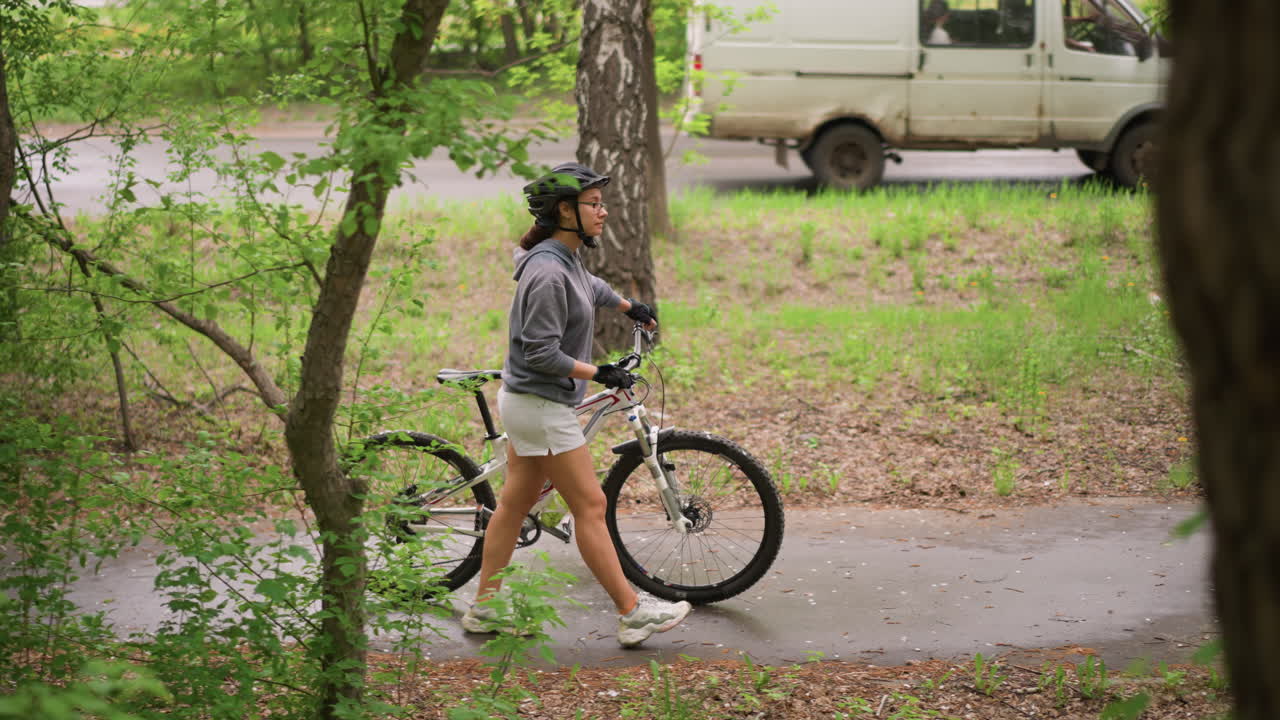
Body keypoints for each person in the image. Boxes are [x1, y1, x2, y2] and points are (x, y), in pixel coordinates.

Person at [459, 162, 692, 648]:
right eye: (594, 204)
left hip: (532, 403)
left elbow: (590, 288)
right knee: (590, 504)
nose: (603, 212)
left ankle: (484, 609)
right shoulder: (545, 271)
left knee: (514, 503)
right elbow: (539, 352)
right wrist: (597, 372)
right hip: (540, 405)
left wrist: (630, 306)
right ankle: (631, 612)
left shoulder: (562, 259)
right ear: (565, 210)